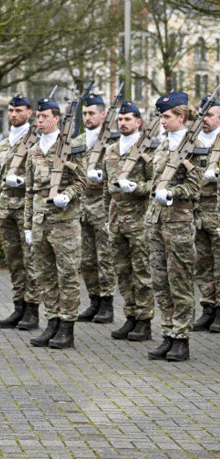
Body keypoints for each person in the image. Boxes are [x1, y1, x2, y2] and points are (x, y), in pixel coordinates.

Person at [24, 96, 86, 349]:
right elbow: (29, 190)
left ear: (57, 118)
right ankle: (52, 322)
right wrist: (28, 224)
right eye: (38, 117)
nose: (40, 121)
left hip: (65, 221)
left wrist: (66, 196)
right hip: (40, 221)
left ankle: (67, 327)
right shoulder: (34, 150)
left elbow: (82, 183)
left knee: (67, 275)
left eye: (45, 117)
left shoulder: (72, 146)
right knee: (45, 275)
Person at [145, 91, 201, 361]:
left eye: (166, 116)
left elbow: (195, 186)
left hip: (179, 223)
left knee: (180, 281)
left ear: (181, 116)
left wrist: (172, 193)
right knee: (160, 281)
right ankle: (167, 333)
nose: (162, 121)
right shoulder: (163, 144)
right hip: (155, 221)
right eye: (160, 116)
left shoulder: (195, 146)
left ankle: (181, 338)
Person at [102, 101, 154, 341]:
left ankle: (145, 321)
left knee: (142, 272)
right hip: (116, 220)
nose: (122, 123)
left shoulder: (148, 149)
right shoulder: (111, 150)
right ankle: (130, 316)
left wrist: (138, 187)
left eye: (127, 119)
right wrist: (106, 216)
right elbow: (106, 189)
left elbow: (157, 184)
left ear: (138, 122)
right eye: (120, 120)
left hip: (139, 220)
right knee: (122, 272)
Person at [0, 94, 40, 330]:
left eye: (18, 110)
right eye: (11, 111)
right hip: (6, 208)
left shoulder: (37, 141)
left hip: (25, 209)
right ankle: (18, 307)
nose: (13, 115)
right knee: (13, 261)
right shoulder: (4, 143)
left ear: (29, 113)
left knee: (30, 260)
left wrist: (21, 181)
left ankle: (32, 309)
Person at [80, 94, 117, 323]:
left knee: (105, 258)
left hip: (102, 204)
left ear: (103, 114)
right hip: (81, 205)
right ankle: (93, 300)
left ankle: (107, 303)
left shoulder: (113, 141)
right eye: (84, 113)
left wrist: (103, 176)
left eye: (92, 113)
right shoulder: (77, 141)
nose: (87, 117)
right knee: (86, 259)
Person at [191, 96, 220, 332]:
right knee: (202, 263)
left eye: (209, 115)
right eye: (202, 115)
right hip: (198, 210)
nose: (205, 120)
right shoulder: (194, 141)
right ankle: (208, 307)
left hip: (217, 210)